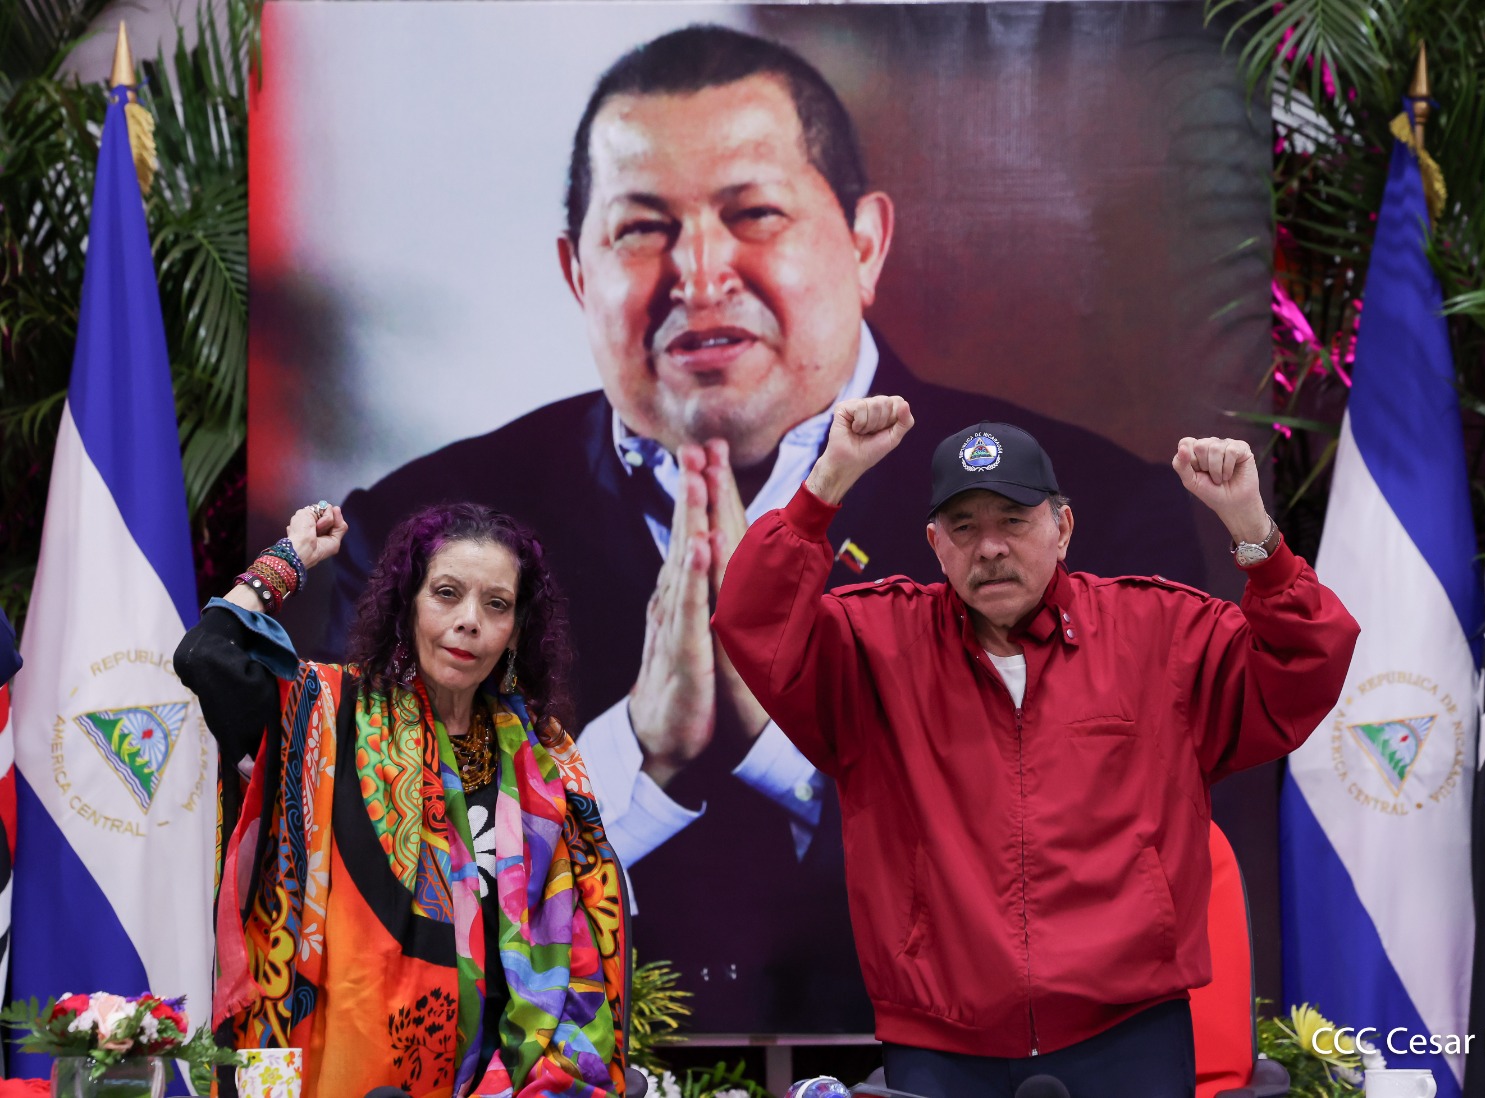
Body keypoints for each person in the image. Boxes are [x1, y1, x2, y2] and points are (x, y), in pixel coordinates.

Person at [314, 25, 1204, 1031]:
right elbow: (379, 898)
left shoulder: (1091, 515)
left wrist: (783, 744)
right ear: (577, 273)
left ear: (864, 243)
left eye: (755, 214)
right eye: (641, 228)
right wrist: (640, 755)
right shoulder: (416, 534)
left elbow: (1113, 864)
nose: (699, 273)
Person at [712, 397, 1360, 1098]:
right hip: (940, 1041)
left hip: (1131, 1031)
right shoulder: (874, 648)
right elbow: (754, 621)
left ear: (1063, 528)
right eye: (964, 527)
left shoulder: (1159, 632)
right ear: (935, 544)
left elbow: (1305, 664)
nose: (990, 547)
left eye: (1014, 521)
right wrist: (826, 483)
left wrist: (1254, 531)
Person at [174, 502, 628, 1098]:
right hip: (352, 1076)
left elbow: (584, 940)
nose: (470, 621)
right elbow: (204, 656)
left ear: (517, 631)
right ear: (407, 604)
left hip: (519, 1081)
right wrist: (289, 560)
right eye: (446, 593)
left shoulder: (546, 760)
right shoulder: (329, 715)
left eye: (496, 605)